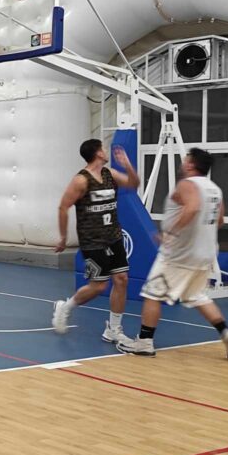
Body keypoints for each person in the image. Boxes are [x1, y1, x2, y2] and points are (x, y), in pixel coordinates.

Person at [117, 148, 228, 358]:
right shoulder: (214, 189)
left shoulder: (187, 185)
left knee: (152, 294)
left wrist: (171, 232)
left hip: (179, 254)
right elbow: (218, 221)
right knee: (197, 296)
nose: (183, 162)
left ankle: (144, 342)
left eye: (186, 159)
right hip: (205, 253)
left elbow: (192, 208)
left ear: (191, 164)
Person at [52, 139, 139, 341]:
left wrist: (127, 165)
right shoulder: (81, 180)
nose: (106, 151)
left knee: (122, 279)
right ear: (98, 153)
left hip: (113, 236)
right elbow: (63, 207)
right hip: (92, 240)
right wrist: (63, 237)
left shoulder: (110, 174)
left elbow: (133, 184)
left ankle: (113, 329)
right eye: (103, 148)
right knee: (99, 286)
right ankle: (65, 307)